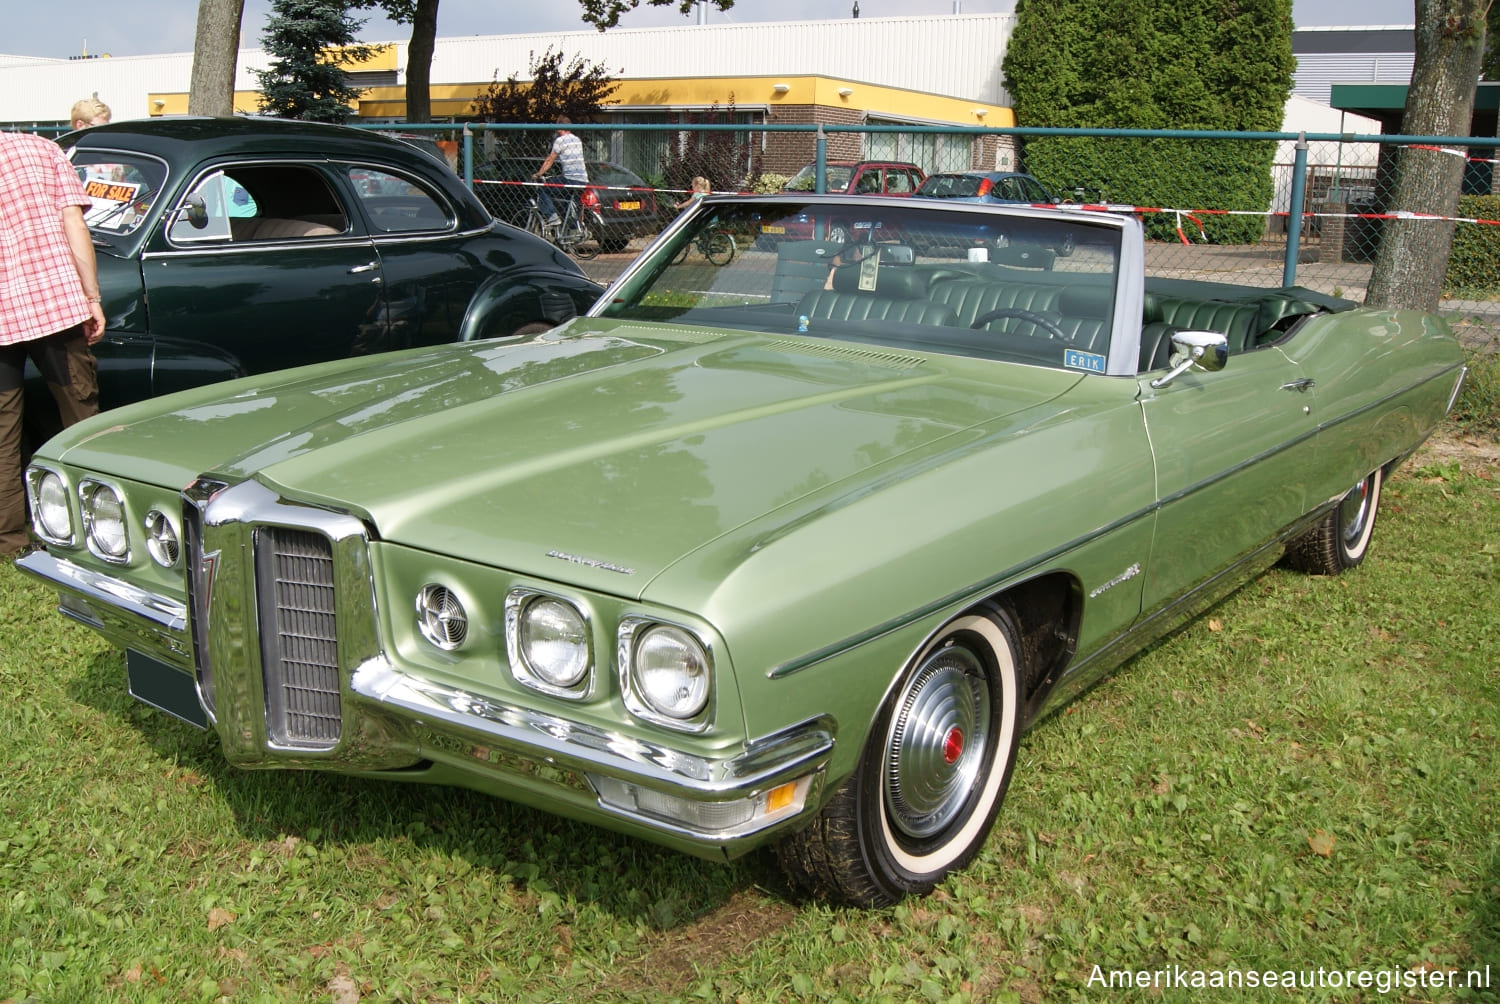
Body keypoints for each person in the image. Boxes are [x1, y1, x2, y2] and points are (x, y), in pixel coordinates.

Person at [0, 132, 106, 558]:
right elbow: (74, 223)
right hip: (55, 304)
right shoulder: (42, 149)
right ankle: (98, 524)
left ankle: (9, 541)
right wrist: (92, 297)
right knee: (82, 421)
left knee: (2, 434)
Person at [531, 118, 588, 229]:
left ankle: (552, 217)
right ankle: (572, 230)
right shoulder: (577, 139)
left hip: (570, 179)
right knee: (567, 203)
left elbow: (550, 159)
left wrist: (539, 173)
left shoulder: (560, 140)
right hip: (582, 179)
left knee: (543, 189)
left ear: (559, 127)